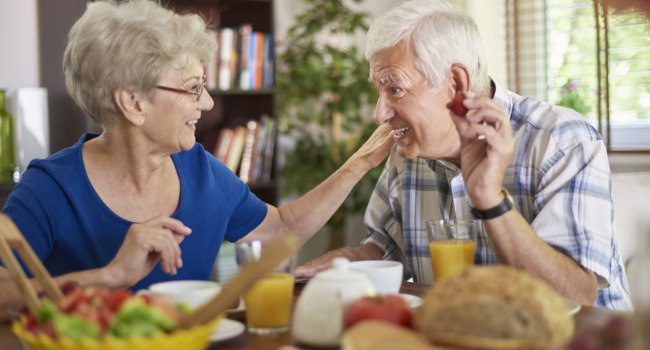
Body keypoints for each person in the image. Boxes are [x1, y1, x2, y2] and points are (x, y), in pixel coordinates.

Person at [0, 0, 393, 319]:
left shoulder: (201, 170)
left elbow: (281, 232)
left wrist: (359, 163)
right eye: (193, 88)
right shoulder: (50, 188)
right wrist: (109, 276)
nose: (206, 103)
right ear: (133, 102)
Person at [297, 0, 632, 310]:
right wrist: (344, 264)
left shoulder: (560, 141)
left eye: (394, 88)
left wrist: (490, 200)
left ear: (456, 82)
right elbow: (384, 249)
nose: (379, 113)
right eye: (379, 90)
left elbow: (576, 295)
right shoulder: (410, 150)